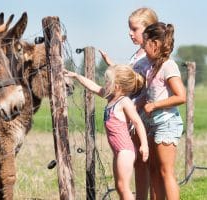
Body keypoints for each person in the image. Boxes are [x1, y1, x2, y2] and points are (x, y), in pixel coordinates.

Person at [64, 65, 149, 200]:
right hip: (118, 151)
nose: (105, 84)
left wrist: (144, 145)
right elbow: (93, 87)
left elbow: (138, 122)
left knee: (123, 186)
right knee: (119, 187)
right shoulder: (111, 98)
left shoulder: (124, 102)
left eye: (108, 81)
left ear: (117, 86)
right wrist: (76, 76)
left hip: (125, 150)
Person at [99, 7, 158, 199]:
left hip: (142, 116)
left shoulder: (150, 57)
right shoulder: (137, 55)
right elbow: (132, 80)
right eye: (129, 29)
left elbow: (151, 88)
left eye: (134, 29)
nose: (130, 33)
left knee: (145, 164)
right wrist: (113, 67)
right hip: (132, 115)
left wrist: (137, 105)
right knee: (139, 163)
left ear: (148, 30)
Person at [142, 22, 186, 200]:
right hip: (153, 124)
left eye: (145, 43)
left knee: (166, 171)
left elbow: (181, 96)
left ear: (155, 44)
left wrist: (154, 105)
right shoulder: (153, 67)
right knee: (153, 170)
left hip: (167, 124)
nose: (143, 48)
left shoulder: (169, 66)